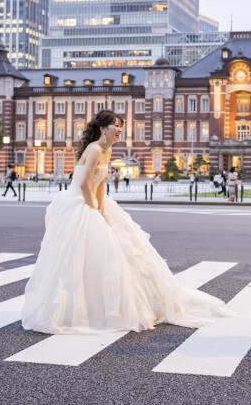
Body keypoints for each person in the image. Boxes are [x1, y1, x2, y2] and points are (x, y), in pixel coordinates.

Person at [21, 110, 232, 334]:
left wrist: (102, 208)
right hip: (79, 201)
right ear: (103, 129)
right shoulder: (94, 149)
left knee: (119, 252)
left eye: (121, 125)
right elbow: (84, 184)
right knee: (80, 257)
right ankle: (78, 308)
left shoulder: (108, 149)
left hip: (93, 200)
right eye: (116, 125)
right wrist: (92, 209)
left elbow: (100, 182)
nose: (120, 129)